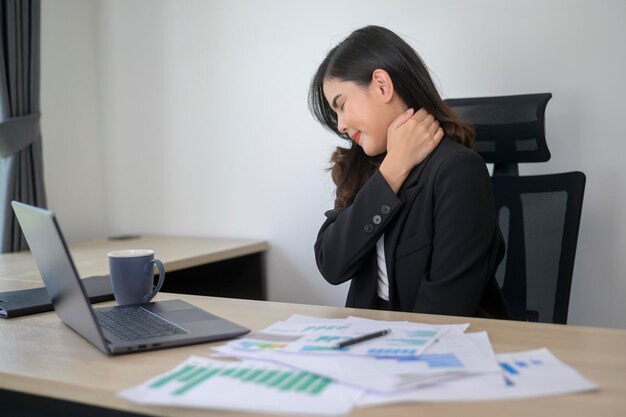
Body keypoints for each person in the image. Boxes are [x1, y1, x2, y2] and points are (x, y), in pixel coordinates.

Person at [308, 25, 510, 319]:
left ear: (381, 85)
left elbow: (444, 310)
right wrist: (391, 171)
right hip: (374, 341)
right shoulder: (367, 167)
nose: (340, 125)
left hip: (439, 349)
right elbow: (332, 264)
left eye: (341, 105)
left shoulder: (457, 171)